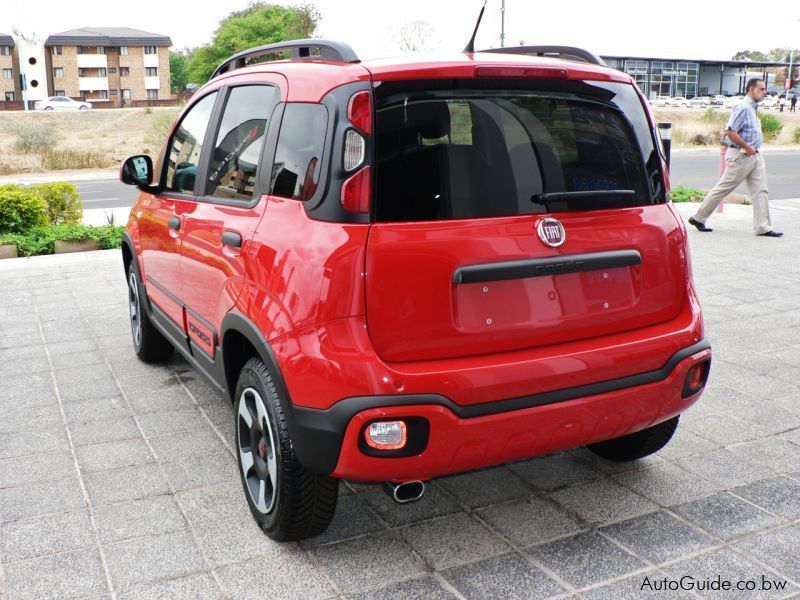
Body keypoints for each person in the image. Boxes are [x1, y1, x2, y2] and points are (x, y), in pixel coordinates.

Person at [688, 78, 783, 237]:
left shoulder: (753, 108)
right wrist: (747, 147)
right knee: (723, 188)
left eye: (765, 89)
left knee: (761, 191)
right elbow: (730, 131)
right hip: (741, 156)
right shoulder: (743, 107)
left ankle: (763, 226)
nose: (765, 92)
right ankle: (698, 217)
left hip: (754, 156)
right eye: (762, 89)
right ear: (752, 90)